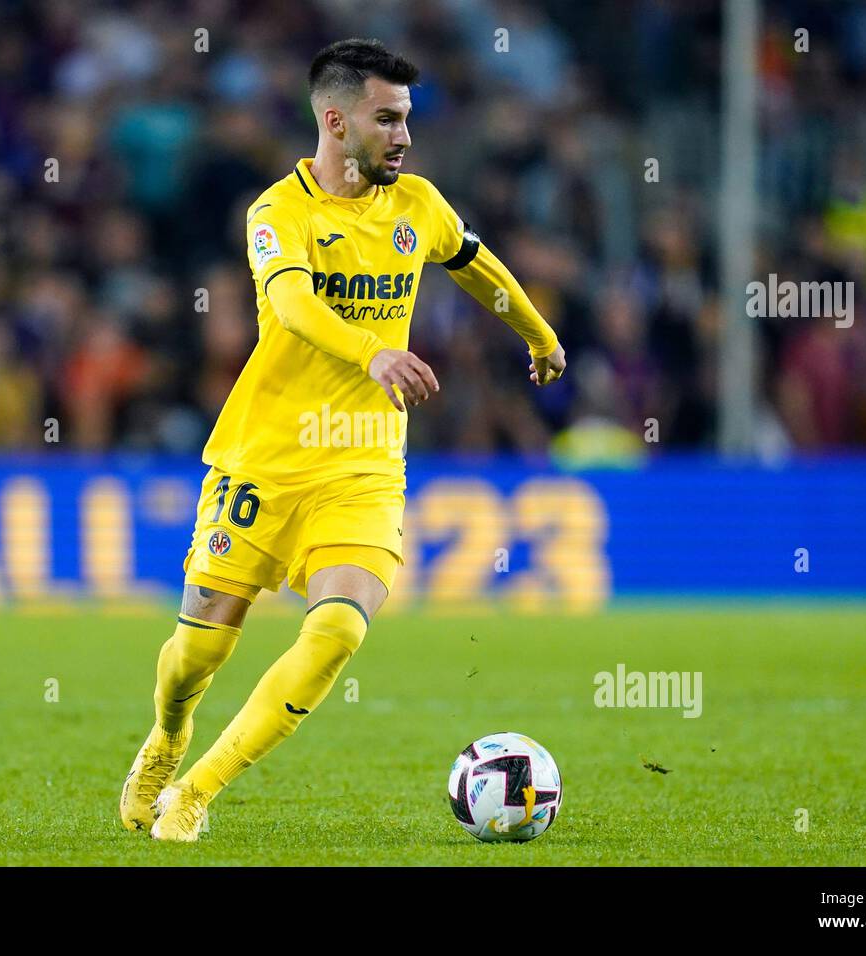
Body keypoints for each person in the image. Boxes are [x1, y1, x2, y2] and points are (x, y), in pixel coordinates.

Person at [120, 38, 566, 842]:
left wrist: (536, 334)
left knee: (337, 632)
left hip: (363, 464)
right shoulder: (276, 213)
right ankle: (168, 736)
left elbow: (475, 265)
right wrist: (375, 349)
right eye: (387, 119)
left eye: (407, 119)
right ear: (335, 119)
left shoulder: (418, 205)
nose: (404, 136)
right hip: (266, 457)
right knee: (195, 657)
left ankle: (194, 792)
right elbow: (289, 307)